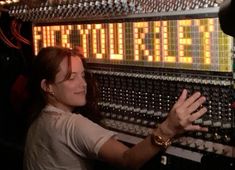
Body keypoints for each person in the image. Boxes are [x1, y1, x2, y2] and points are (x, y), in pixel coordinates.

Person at [24, 46, 208, 170]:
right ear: (47, 86)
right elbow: (127, 160)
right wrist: (168, 128)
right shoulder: (72, 126)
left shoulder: (39, 120)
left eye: (83, 75)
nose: (83, 84)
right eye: (72, 78)